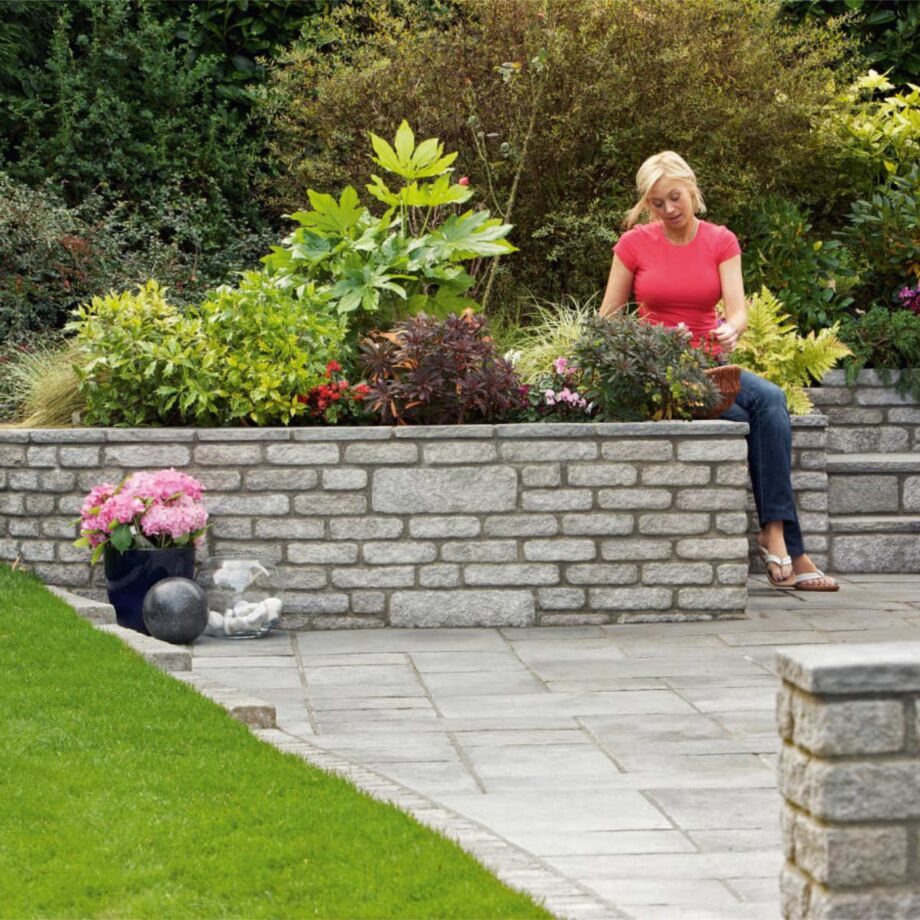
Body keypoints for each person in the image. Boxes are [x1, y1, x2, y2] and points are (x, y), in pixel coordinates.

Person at [599, 150, 838, 591]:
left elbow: (738, 311)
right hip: (664, 372)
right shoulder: (633, 244)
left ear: (692, 189)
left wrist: (732, 329)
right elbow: (608, 318)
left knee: (770, 399)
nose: (669, 209)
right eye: (657, 203)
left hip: (714, 367)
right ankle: (791, 548)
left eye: (675, 197)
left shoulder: (720, 241)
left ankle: (775, 532)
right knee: (751, 418)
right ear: (647, 204)